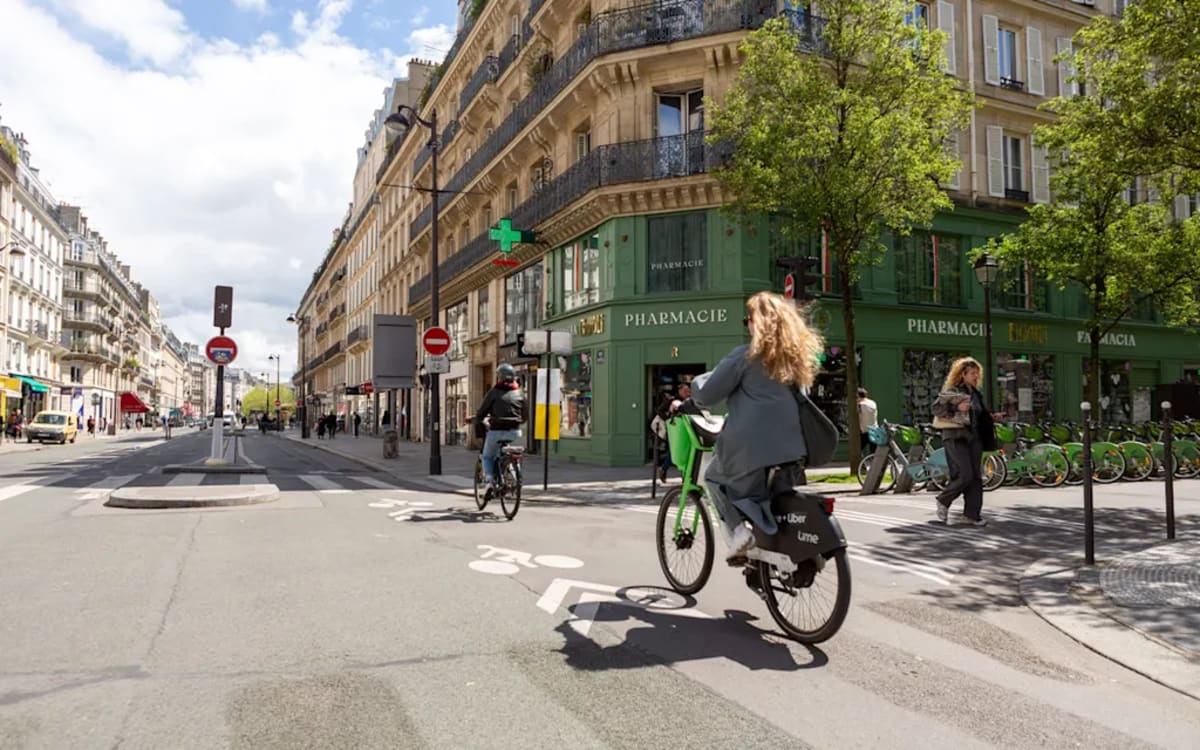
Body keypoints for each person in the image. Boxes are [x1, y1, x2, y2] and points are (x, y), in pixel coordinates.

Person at [691, 292, 824, 563]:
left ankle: (739, 533)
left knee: (713, 477)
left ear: (758, 323)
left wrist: (695, 385)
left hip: (750, 449)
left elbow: (707, 395)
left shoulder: (745, 355)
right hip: (793, 448)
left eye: (748, 319)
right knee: (773, 498)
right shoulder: (796, 360)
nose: (747, 324)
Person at [931, 356, 997, 527]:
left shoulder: (975, 394)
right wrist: (955, 407)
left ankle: (972, 515)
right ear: (962, 375)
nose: (976, 376)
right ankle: (943, 500)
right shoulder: (953, 391)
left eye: (977, 373)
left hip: (975, 438)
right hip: (956, 437)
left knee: (976, 477)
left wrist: (992, 417)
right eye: (973, 373)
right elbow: (936, 408)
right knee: (965, 474)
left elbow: (979, 415)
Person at [473, 364, 526, 492]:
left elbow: (482, 412)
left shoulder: (494, 392)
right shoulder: (519, 393)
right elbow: (525, 414)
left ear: (499, 378)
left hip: (496, 431)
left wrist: (478, 420)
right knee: (511, 452)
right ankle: (513, 474)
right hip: (515, 432)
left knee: (487, 456)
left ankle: (489, 482)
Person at [649, 399, 672, 482]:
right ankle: (663, 468)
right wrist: (668, 419)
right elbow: (659, 410)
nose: (688, 392)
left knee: (674, 453)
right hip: (673, 430)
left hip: (681, 429)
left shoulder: (687, 400)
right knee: (674, 452)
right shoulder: (672, 400)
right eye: (685, 391)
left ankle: (663, 469)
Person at [858, 387, 878, 455]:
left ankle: (861, 464)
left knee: (857, 449)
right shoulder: (872, 403)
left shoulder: (860, 405)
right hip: (874, 429)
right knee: (874, 451)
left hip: (865, 430)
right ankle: (876, 465)